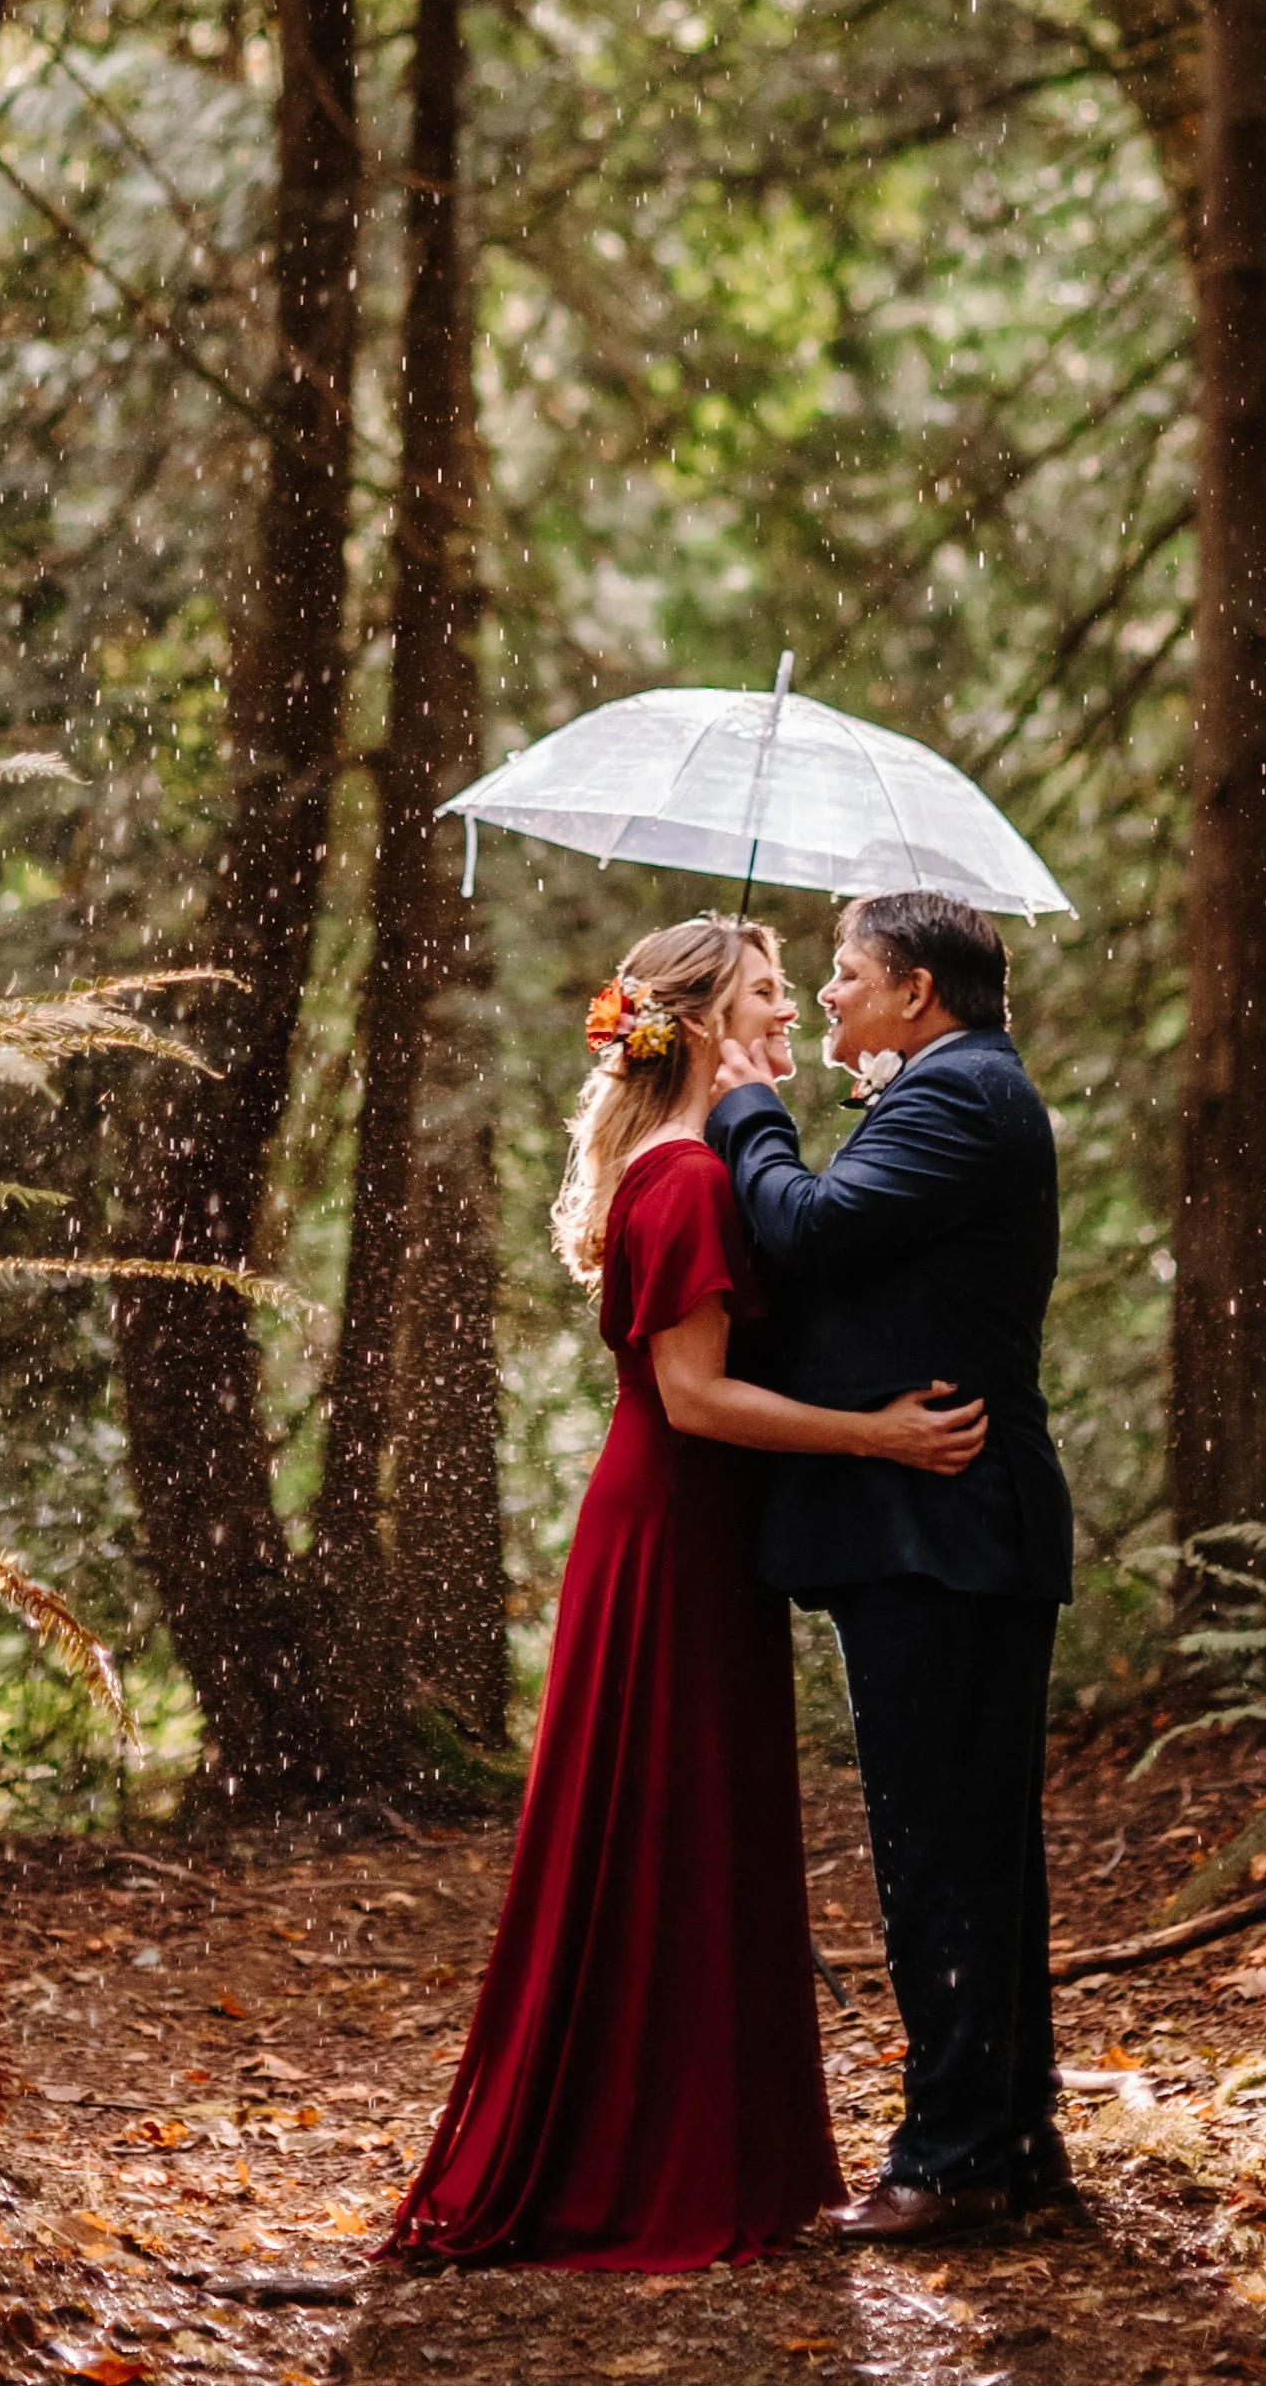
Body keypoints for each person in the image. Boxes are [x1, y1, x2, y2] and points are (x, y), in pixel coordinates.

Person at [386, 912, 988, 2269]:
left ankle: (703, 2142)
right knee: (662, 1839)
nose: (794, 1016)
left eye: (793, 991)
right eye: (770, 996)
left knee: (690, 1840)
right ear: (705, 1024)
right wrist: (877, 1436)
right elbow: (695, 1397)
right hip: (669, 1534)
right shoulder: (685, 1182)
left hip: (697, 1536)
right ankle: (641, 2158)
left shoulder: (695, 1163)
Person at [705, 887, 1075, 2242]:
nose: (824, 998)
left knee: (942, 1852)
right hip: (949, 1530)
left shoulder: (958, 1097)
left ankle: (957, 2158)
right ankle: (1015, 2141)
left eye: (849, 974)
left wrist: (746, 1109)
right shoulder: (952, 1089)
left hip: (948, 1530)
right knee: (974, 1846)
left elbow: (804, 1228)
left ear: (919, 991)